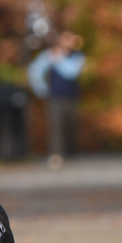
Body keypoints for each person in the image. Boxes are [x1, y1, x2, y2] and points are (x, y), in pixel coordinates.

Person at [27, 30, 85, 166]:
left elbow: (71, 73)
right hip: (55, 97)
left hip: (71, 97)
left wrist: (59, 59)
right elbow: (34, 71)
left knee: (70, 125)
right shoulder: (48, 55)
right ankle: (56, 154)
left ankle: (71, 153)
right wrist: (41, 90)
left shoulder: (77, 56)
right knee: (56, 126)